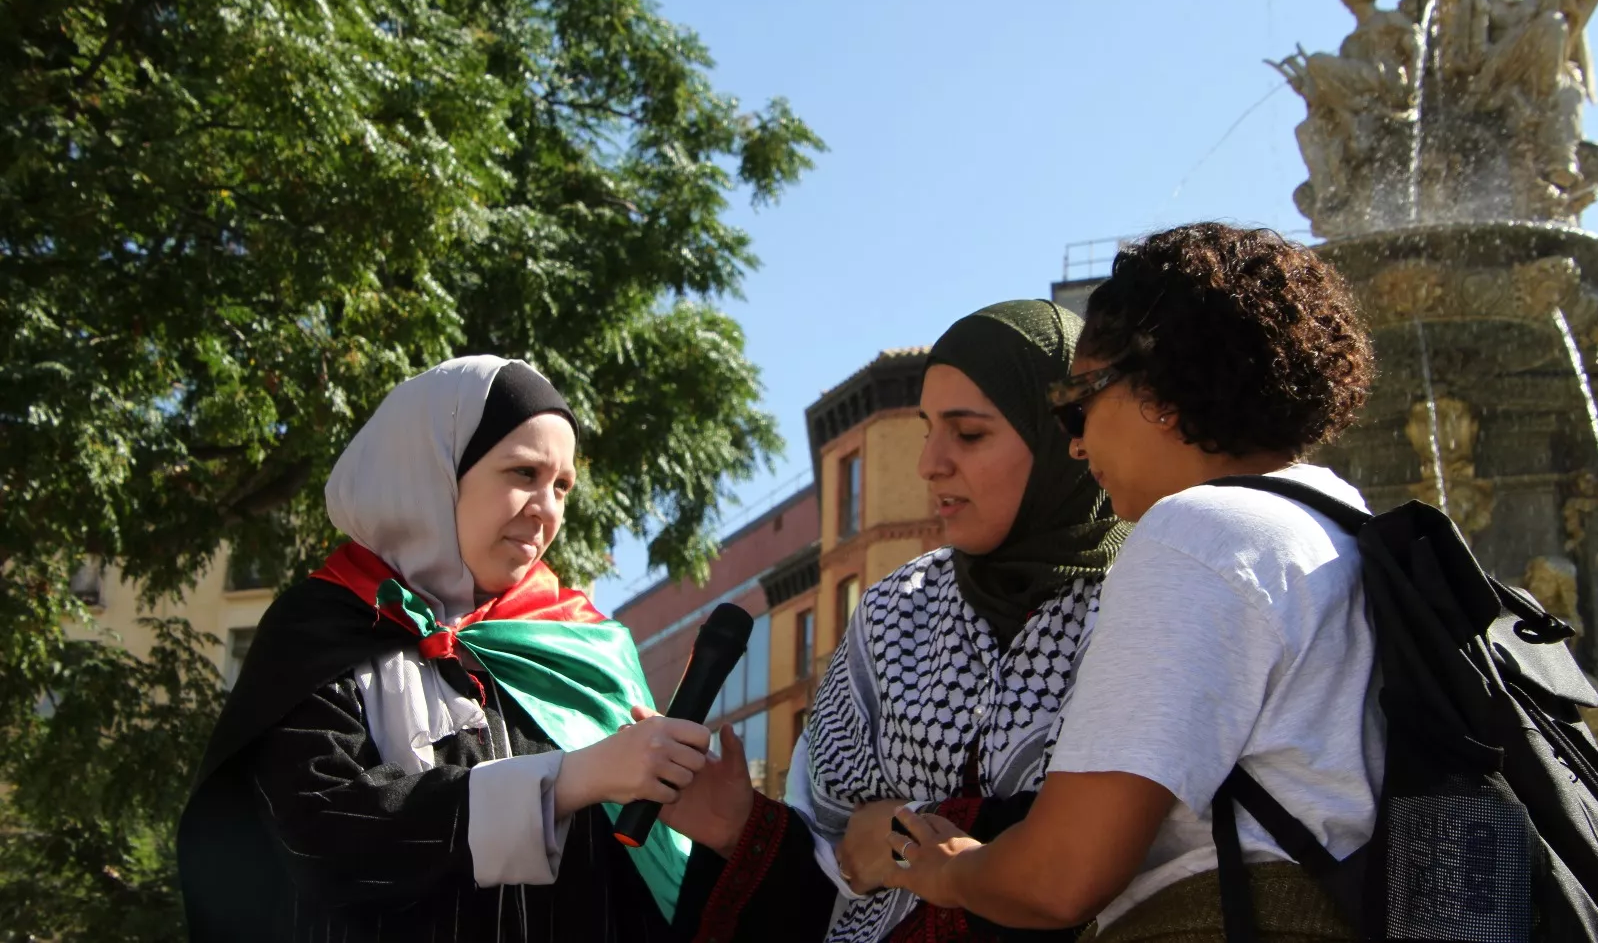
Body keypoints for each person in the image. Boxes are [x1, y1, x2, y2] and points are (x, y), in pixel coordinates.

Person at [886, 224, 1378, 942]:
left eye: (1077, 402)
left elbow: (1059, 877)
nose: (1077, 440)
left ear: (1161, 390)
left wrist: (946, 868)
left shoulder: (1197, 534)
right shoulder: (1341, 522)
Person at [178, 355, 723, 943]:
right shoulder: (319, 628)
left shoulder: (579, 646)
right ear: (432, 473)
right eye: (523, 473)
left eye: (562, 485)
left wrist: (718, 825)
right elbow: (320, 833)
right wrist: (568, 780)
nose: (547, 509)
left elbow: (636, 884)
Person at [661, 300, 1129, 943]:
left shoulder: (1143, 597)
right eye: (926, 430)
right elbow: (835, 859)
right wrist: (741, 823)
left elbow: (1117, 846)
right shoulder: (895, 609)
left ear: (1063, 436)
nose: (929, 463)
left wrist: (904, 831)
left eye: (968, 434)